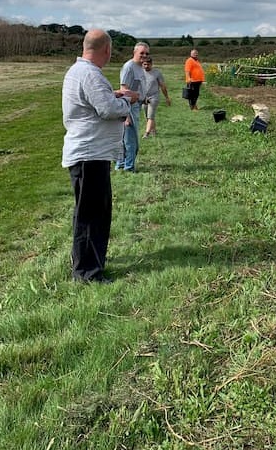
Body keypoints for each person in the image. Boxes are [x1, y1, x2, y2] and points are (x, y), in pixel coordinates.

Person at [62, 29, 139, 283]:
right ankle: (88, 273)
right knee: (93, 214)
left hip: (87, 153)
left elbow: (97, 102)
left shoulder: (79, 71)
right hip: (90, 155)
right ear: (106, 49)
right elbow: (106, 109)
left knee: (86, 212)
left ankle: (84, 261)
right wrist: (127, 103)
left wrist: (113, 95)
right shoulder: (91, 74)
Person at [115, 41, 149, 172]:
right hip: (128, 108)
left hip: (136, 106)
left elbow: (136, 88)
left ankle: (121, 165)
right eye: (142, 53)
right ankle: (128, 167)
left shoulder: (139, 67)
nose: (144, 55)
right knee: (131, 142)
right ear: (134, 52)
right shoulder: (129, 67)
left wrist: (143, 98)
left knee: (127, 140)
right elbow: (124, 91)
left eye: (147, 53)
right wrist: (126, 116)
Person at [141, 57, 171, 138]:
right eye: (144, 64)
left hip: (154, 96)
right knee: (147, 115)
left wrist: (167, 97)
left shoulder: (157, 73)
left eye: (148, 64)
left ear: (151, 64)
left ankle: (146, 133)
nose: (146, 66)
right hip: (144, 97)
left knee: (150, 115)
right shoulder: (140, 72)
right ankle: (153, 130)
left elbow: (162, 86)